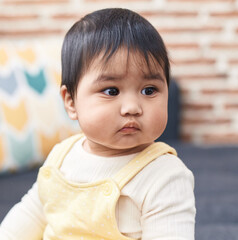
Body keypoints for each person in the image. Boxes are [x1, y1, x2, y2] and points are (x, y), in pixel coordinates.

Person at [0, 8, 196, 240]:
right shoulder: (62, 157)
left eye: (149, 90)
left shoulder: (165, 176)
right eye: (111, 91)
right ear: (71, 102)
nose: (132, 107)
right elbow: (31, 215)